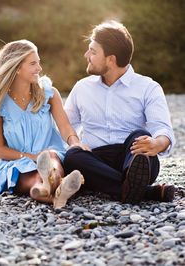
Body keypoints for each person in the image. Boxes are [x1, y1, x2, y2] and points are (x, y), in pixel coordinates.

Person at [0, 39, 87, 209]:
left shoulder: (49, 94)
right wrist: (32, 158)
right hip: (18, 162)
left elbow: (64, 127)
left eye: (39, 63)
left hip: (51, 154)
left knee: (50, 160)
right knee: (34, 178)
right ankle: (59, 191)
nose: (39, 68)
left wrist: (75, 144)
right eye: (33, 63)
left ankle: (49, 188)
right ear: (17, 68)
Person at [64, 20, 176, 204]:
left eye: (93, 51)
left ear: (111, 59)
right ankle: (144, 192)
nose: (86, 55)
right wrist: (74, 141)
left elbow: (162, 129)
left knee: (140, 135)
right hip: (94, 161)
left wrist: (157, 144)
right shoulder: (82, 88)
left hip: (133, 157)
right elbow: (65, 124)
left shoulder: (148, 87)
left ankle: (122, 185)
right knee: (73, 156)